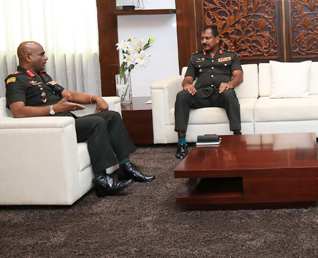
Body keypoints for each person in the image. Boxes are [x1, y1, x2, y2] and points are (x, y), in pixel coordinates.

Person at [5, 41, 155, 197]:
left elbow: (70, 95)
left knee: (112, 116)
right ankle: (102, 180)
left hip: (68, 122)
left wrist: (95, 98)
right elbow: (18, 111)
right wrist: (54, 108)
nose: (46, 57)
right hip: (54, 128)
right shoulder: (15, 80)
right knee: (96, 122)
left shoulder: (43, 76)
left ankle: (126, 167)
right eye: (42, 54)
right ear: (28, 57)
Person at [174, 25, 243, 159]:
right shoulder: (195, 58)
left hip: (220, 94)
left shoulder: (230, 56)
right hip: (201, 95)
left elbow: (239, 76)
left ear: (217, 39)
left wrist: (229, 84)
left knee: (229, 93)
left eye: (208, 38)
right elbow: (188, 78)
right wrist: (187, 85)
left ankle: (237, 138)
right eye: (202, 39)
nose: (204, 41)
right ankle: (181, 143)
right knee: (182, 95)